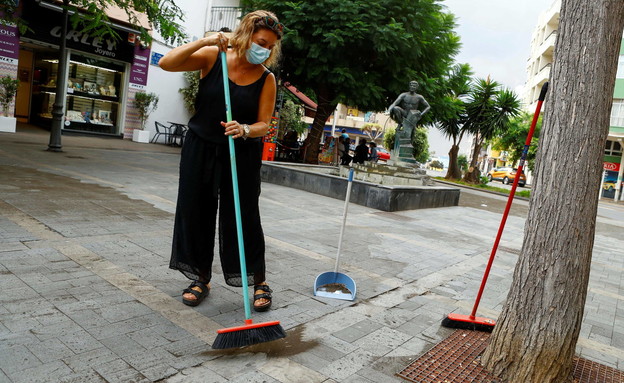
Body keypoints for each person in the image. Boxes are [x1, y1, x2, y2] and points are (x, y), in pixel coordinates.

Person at [159, 10, 284, 311]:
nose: (264, 50)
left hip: (240, 152)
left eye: (269, 46)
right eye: (261, 42)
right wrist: (205, 41)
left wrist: (243, 129)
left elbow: (264, 125)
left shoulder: (267, 79)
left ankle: (259, 281)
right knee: (197, 211)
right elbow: (166, 63)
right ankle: (201, 278)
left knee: (243, 217)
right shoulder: (212, 58)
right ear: (245, 36)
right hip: (201, 147)